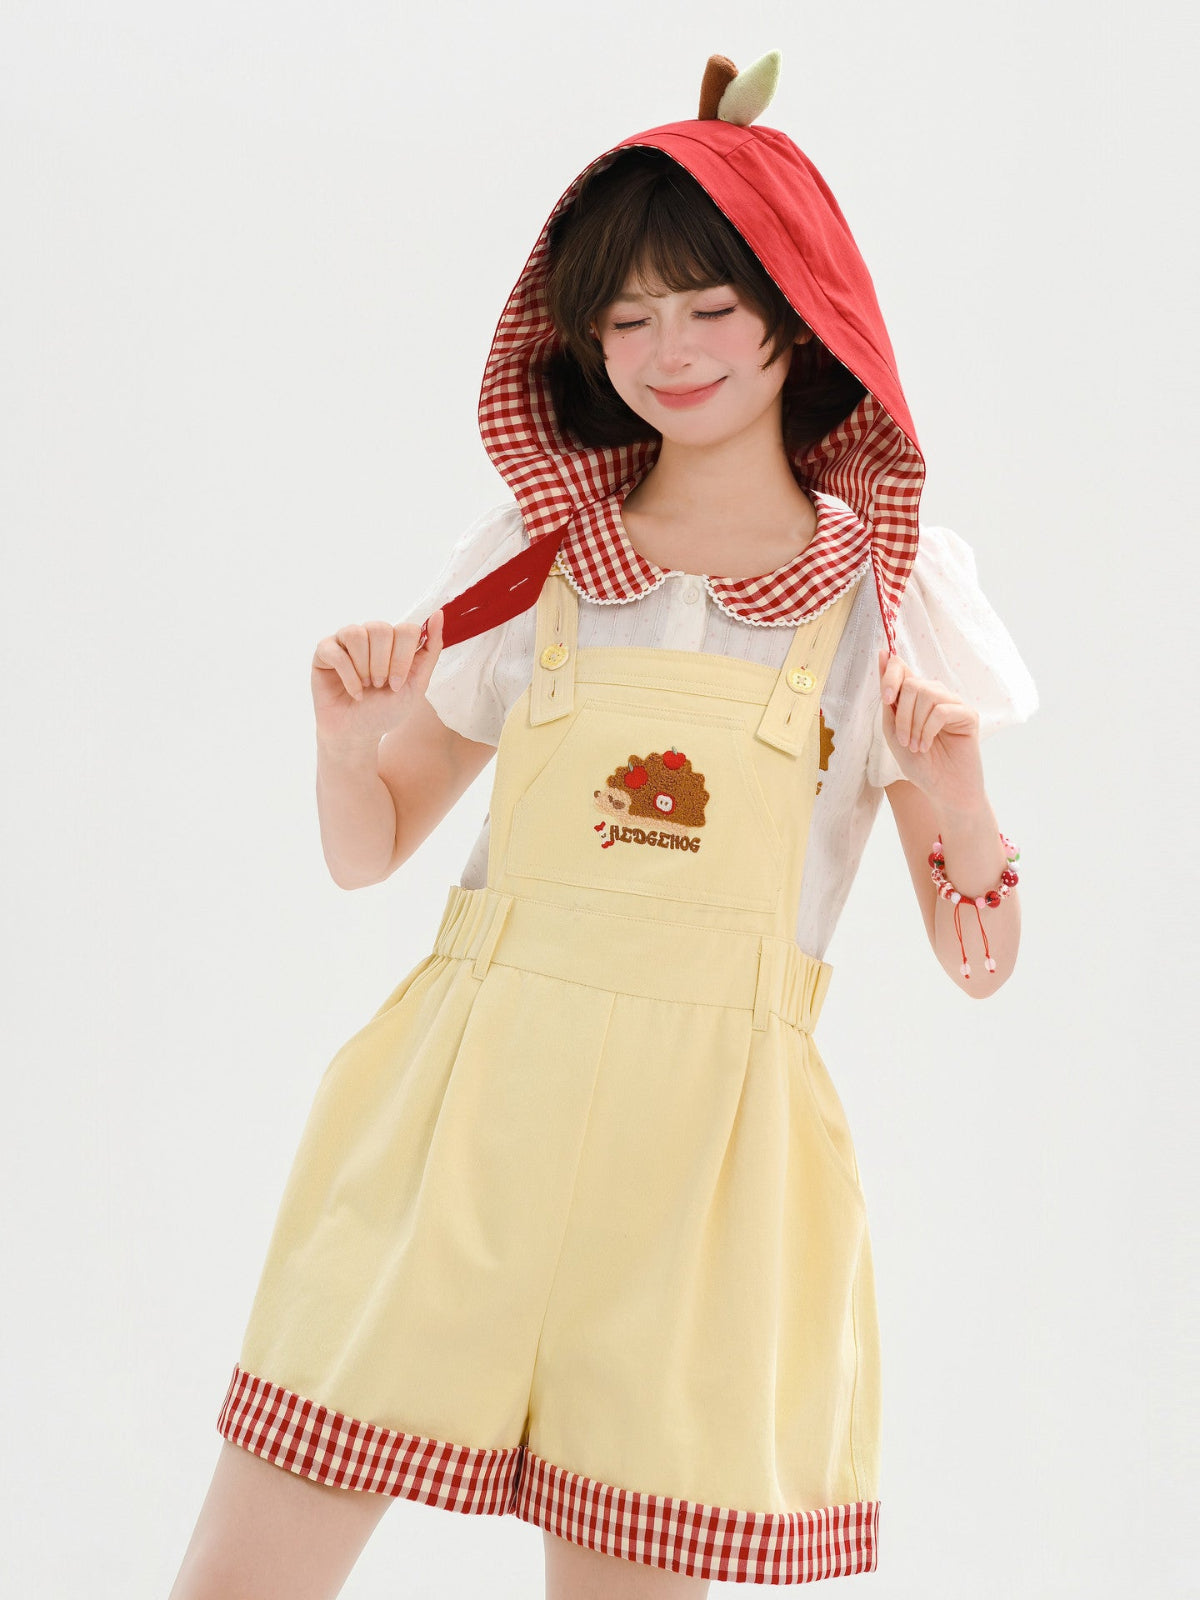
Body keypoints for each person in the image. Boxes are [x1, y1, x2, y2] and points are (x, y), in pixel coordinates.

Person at [169, 48, 1037, 1600]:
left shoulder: (881, 605)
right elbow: (371, 849)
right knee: (244, 1574)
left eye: (708, 307)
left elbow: (982, 963)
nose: (668, 351)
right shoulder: (539, 558)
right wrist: (344, 748)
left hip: (703, 1163)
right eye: (627, 318)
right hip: (460, 1115)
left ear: (797, 316)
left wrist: (960, 802)